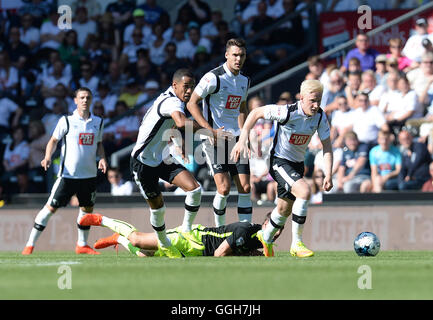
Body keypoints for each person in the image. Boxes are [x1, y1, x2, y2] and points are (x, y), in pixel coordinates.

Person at [130, 68, 228, 259]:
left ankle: (186, 230)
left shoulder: (173, 100)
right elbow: (181, 123)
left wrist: (178, 144)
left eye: (192, 87)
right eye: (186, 87)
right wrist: (211, 132)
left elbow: (172, 124)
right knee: (158, 207)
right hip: (142, 163)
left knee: (194, 189)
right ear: (174, 85)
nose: (190, 91)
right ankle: (164, 243)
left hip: (161, 158)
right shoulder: (171, 101)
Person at [231, 79, 334, 258]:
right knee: (304, 191)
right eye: (312, 100)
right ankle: (296, 243)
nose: (316, 105)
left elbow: (327, 146)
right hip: (279, 162)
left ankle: (266, 237)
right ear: (301, 98)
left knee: (283, 209)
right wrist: (242, 140)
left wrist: (329, 174)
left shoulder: (320, 117)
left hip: (297, 164)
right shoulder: (287, 112)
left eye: (319, 100)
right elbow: (255, 112)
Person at [22, 87, 108, 255]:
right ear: (75, 100)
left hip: (89, 175)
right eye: (81, 97)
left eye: (88, 97)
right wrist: (47, 157)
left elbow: (99, 144)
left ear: (91, 100)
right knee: (50, 209)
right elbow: (53, 140)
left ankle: (82, 245)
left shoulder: (98, 122)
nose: (85, 100)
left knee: (86, 210)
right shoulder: (67, 121)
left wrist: (102, 158)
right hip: (67, 176)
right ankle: (29, 244)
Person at [186, 38, 252, 227]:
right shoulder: (212, 77)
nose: (238, 59)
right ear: (226, 55)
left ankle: (244, 233)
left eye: (242, 55)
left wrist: (245, 136)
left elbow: (242, 107)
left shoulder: (244, 81)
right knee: (223, 188)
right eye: (235, 55)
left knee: (245, 188)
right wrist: (210, 131)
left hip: (236, 139)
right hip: (214, 140)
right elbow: (191, 103)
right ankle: (221, 230)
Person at [78, 212, 283, 257]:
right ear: (266, 223)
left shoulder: (258, 240)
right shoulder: (246, 229)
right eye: (274, 228)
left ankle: (118, 239)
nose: (275, 234)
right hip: (191, 239)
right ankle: (101, 220)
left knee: (142, 255)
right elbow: (220, 254)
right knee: (138, 239)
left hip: (196, 253)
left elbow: (257, 257)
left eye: (279, 233)